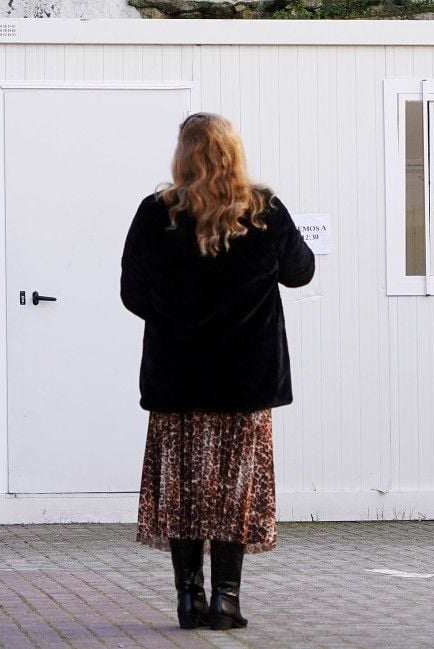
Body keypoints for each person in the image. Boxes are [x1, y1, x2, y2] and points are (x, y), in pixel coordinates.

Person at [120, 112, 315, 631]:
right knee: (235, 491)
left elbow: (132, 295)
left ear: (182, 156)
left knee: (183, 490)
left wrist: (178, 316)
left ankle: (189, 600)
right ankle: (225, 602)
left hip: (176, 379)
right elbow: (300, 272)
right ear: (234, 153)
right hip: (246, 382)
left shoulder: (154, 214)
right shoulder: (264, 210)